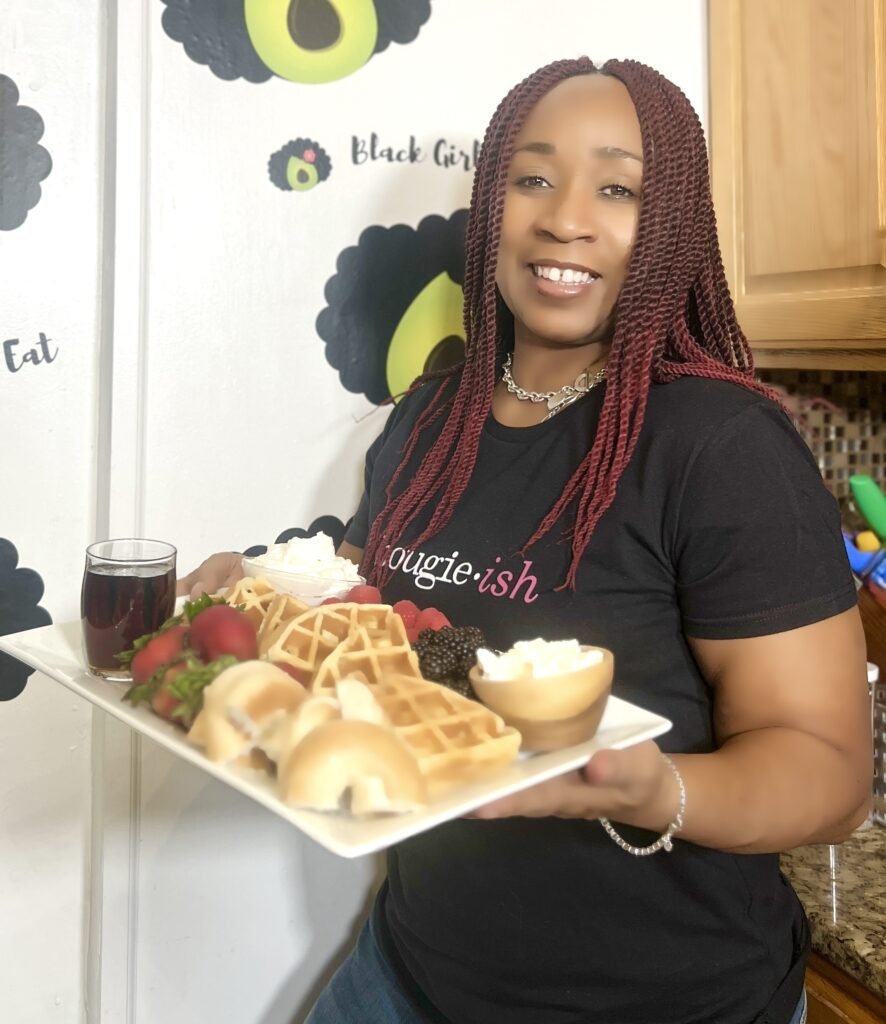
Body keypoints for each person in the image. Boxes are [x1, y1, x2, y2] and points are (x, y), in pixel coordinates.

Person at [179, 57, 872, 1024]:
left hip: (670, 1004)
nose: (565, 218)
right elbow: (378, 596)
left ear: (670, 225)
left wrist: (641, 789)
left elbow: (829, 780)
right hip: (408, 971)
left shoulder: (718, 445)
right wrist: (264, 584)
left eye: (619, 187)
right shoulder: (433, 414)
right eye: (532, 177)